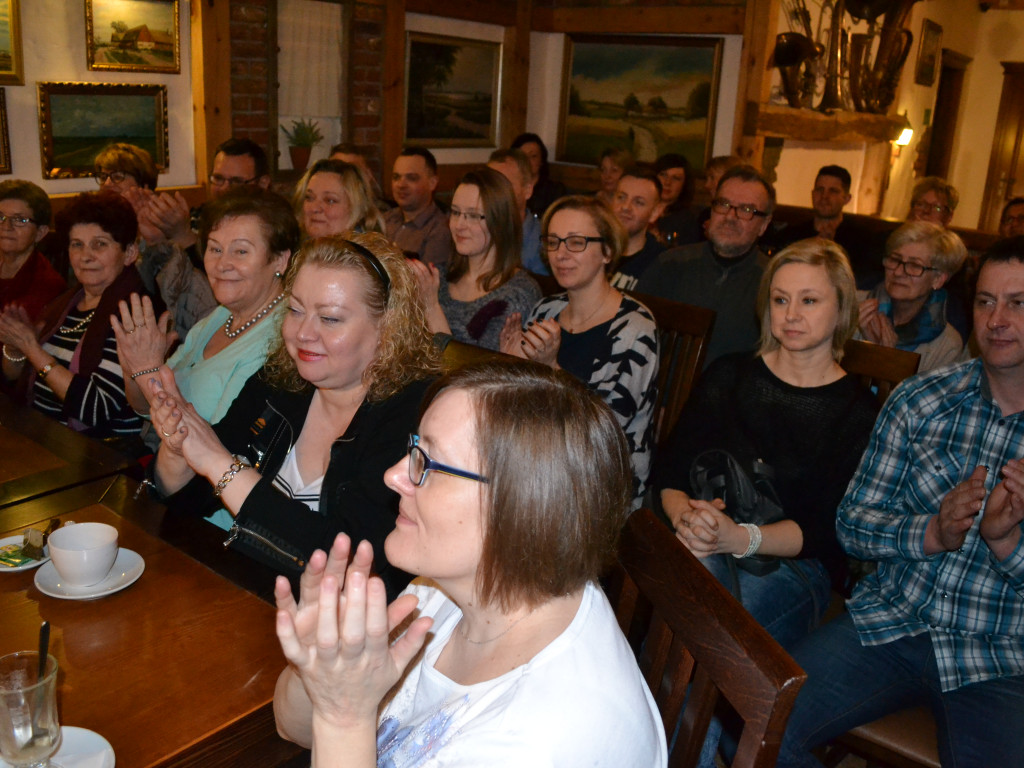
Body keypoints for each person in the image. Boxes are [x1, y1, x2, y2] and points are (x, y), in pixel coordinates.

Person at [272, 361, 668, 767]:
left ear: (520, 510)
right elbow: (293, 727)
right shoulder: (453, 586)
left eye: (427, 463)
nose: (394, 475)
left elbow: (336, 727)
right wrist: (325, 662)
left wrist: (344, 717)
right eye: (414, 450)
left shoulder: (544, 739)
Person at [777, 238, 1024, 767]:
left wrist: (1007, 546)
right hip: (892, 622)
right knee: (749, 715)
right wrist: (932, 532)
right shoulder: (922, 401)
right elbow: (853, 523)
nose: (997, 319)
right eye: (985, 302)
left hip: (1003, 655)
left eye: (1018, 303)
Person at [655, 239, 879, 767]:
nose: (791, 314)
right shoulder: (730, 376)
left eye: (809, 301)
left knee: (694, 638)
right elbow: (668, 472)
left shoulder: (857, 412)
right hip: (698, 547)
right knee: (702, 621)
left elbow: (829, 532)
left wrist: (738, 537)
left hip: (791, 569)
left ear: (841, 308)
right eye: (780, 300)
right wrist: (686, 517)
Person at [145, 233, 442, 597]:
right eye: (296, 310)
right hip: (245, 597)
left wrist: (220, 465)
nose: (302, 333)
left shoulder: (416, 413)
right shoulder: (285, 379)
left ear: (387, 329)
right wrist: (178, 450)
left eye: (330, 319)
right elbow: (189, 503)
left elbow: (350, 560)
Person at [499, 195, 658, 507]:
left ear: (607, 251)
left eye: (576, 242)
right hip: (539, 464)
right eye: (554, 242)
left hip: (599, 486)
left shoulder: (635, 328)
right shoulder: (547, 308)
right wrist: (511, 365)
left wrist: (549, 368)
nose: (561, 254)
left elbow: (603, 431)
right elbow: (523, 409)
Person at [115, 188, 300, 454]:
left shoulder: (280, 339)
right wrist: (132, 368)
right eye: (215, 248)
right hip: (161, 465)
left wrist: (145, 371)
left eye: (240, 251)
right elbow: (146, 409)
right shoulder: (220, 316)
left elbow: (214, 447)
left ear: (280, 260)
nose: (222, 263)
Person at [0, 191, 158, 439]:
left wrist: (32, 350)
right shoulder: (65, 304)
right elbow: (11, 377)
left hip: (99, 454)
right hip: (43, 436)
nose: (86, 256)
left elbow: (95, 408)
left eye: (99, 244)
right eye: (77, 244)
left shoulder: (136, 313)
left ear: (129, 252)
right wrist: (16, 348)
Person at [638, 164, 774, 366]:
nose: (730, 216)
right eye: (723, 204)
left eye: (746, 210)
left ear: (764, 224)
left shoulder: (773, 283)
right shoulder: (670, 264)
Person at [412, 168, 540, 351]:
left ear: (500, 220)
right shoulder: (437, 276)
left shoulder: (518, 293)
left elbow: (473, 372)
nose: (459, 225)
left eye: (473, 216)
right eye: (455, 213)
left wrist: (431, 307)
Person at [858, 221, 967, 372]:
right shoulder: (851, 305)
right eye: (895, 260)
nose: (898, 272)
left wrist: (885, 359)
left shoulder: (947, 344)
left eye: (915, 266)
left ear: (938, 279)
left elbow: (916, 396)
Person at [770, 165, 874, 286]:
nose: (824, 196)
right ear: (812, 194)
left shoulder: (862, 239)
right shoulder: (792, 235)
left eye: (833, 191)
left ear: (847, 198)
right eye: (820, 190)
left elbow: (862, 280)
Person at [0, 180, 65, 322]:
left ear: (40, 232)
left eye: (19, 220)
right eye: (0, 217)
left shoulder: (48, 286)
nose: (6, 226)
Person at [384, 146, 452, 267]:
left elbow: (426, 282)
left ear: (432, 183)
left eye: (411, 178)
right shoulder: (385, 219)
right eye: (396, 177)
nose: (401, 184)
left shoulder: (440, 231)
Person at [293, 158, 385, 239]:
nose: (314, 208)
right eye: (309, 198)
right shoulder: (297, 252)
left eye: (330, 200)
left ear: (357, 210)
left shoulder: (363, 257)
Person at [488, 148, 546, 275]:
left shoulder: (543, 242)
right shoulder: (477, 231)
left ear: (527, 190)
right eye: (491, 184)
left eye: (505, 184)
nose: (495, 192)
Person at [610, 165, 666, 290]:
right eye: (621, 197)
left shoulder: (661, 264)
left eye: (638, 202)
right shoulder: (590, 249)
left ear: (655, 212)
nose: (625, 207)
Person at [510, 132, 566, 217]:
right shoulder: (508, 188)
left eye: (533, 156)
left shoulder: (555, 191)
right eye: (522, 156)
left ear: (541, 160)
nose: (527, 161)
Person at [651, 153, 701, 246]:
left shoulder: (686, 221)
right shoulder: (641, 208)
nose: (667, 182)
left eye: (675, 178)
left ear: (684, 185)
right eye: (663, 175)